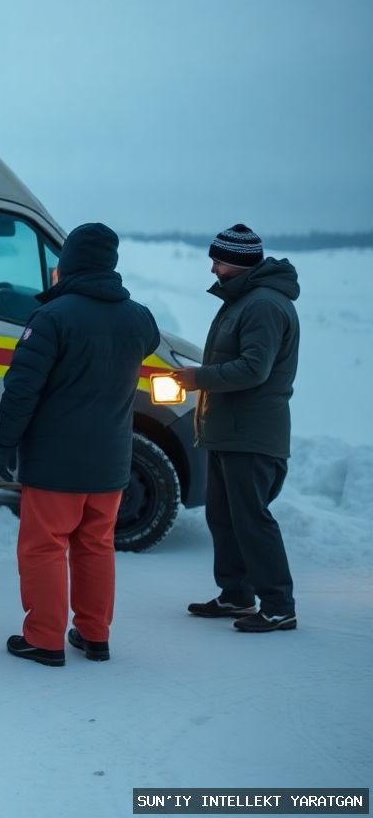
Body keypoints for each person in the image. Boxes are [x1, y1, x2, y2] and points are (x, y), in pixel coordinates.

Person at [0, 223, 159, 666]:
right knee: (96, 545)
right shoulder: (139, 318)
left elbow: (21, 388)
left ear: (68, 264)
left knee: (45, 547)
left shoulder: (53, 318)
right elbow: (148, 343)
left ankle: (44, 639)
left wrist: (6, 441)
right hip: (110, 461)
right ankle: (94, 634)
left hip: (55, 462)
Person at [171, 224, 300, 633]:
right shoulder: (242, 300)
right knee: (224, 517)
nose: (213, 268)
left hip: (253, 434)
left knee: (252, 520)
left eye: (219, 261)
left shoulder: (262, 305)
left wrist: (199, 378)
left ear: (240, 264)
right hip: (229, 431)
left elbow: (253, 369)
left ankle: (279, 605)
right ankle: (237, 594)